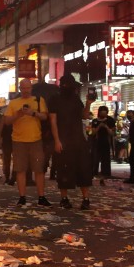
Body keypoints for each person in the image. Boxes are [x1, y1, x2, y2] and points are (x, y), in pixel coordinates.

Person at [3, 78, 51, 207]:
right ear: (20, 89)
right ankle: (22, 197)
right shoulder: (13, 103)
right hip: (18, 140)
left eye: (27, 88)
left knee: (39, 170)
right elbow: (7, 121)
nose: (25, 90)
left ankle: (41, 197)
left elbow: (45, 117)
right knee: (20, 170)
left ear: (31, 88)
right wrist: (18, 115)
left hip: (36, 139)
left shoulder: (39, 100)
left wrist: (33, 113)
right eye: (23, 88)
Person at [49, 74, 93, 209]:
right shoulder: (55, 99)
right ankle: (64, 198)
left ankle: (86, 199)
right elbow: (53, 121)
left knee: (83, 169)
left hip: (78, 139)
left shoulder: (75, 98)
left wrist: (88, 103)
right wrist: (57, 140)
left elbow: (84, 116)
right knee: (64, 170)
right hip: (63, 140)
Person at [90, 105, 116, 184]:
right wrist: (99, 126)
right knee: (95, 158)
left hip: (106, 141)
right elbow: (93, 132)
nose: (103, 115)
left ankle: (106, 173)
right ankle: (94, 172)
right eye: (102, 113)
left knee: (106, 158)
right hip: (97, 141)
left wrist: (106, 127)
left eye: (105, 113)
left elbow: (112, 133)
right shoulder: (95, 121)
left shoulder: (110, 120)